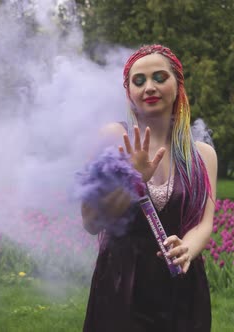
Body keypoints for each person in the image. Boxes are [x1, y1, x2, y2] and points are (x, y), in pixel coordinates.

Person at [81, 44, 217, 331]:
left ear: (178, 85)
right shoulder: (113, 138)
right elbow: (91, 221)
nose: (149, 87)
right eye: (139, 81)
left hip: (182, 286)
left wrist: (188, 249)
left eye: (159, 77)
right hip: (122, 283)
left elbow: (205, 222)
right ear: (128, 91)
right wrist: (133, 181)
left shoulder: (202, 154)